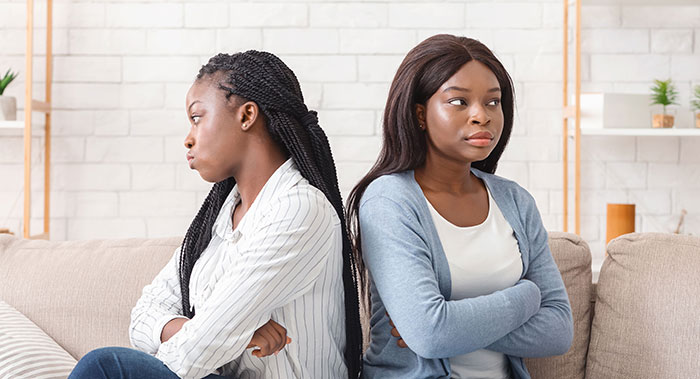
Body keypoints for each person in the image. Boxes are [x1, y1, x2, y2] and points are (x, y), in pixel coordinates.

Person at [69, 51, 362, 379]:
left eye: (197, 117)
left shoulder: (300, 211)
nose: (188, 138)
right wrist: (230, 334)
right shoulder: (217, 219)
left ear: (246, 115)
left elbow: (193, 355)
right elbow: (143, 317)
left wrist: (218, 337)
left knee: (107, 368)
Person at [346, 34, 573, 379]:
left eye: (493, 102)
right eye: (458, 102)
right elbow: (431, 334)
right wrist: (526, 297)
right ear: (420, 114)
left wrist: (452, 324)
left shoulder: (515, 200)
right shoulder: (389, 201)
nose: (481, 116)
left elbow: (558, 330)